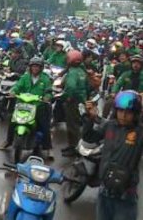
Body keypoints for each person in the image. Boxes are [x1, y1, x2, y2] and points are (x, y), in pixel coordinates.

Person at [84, 91, 143, 220]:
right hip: (104, 192)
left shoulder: (139, 132)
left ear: (136, 114)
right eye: (120, 111)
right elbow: (89, 137)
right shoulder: (110, 126)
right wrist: (90, 118)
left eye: (129, 112)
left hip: (125, 197)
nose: (123, 115)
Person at [0, 57, 53, 157]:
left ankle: (48, 147)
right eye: (33, 66)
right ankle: (8, 141)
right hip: (23, 105)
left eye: (37, 66)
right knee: (12, 121)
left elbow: (49, 91)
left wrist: (47, 97)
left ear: (41, 68)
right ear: (30, 67)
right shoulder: (25, 77)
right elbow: (17, 86)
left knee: (44, 126)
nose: (35, 68)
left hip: (38, 107)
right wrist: (13, 92)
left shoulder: (45, 79)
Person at [61, 50, 89, 157]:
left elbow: (71, 87)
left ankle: (75, 148)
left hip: (73, 101)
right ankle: (72, 146)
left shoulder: (72, 72)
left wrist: (67, 97)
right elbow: (87, 87)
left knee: (72, 125)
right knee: (76, 124)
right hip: (81, 101)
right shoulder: (82, 71)